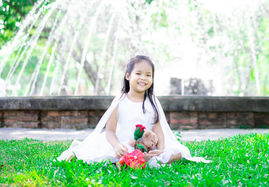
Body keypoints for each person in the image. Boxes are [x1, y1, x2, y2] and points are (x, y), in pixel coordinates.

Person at [58, 55, 210, 167]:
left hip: (148, 146)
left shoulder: (152, 102)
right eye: (138, 73)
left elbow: (158, 128)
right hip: (123, 144)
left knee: (178, 153)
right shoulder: (120, 101)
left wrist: (161, 148)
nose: (143, 78)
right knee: (97, 154)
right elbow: (109, 131)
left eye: (148, 75)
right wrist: (117, 145)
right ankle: (127, 159)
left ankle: (139, 160)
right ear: (128, 76)